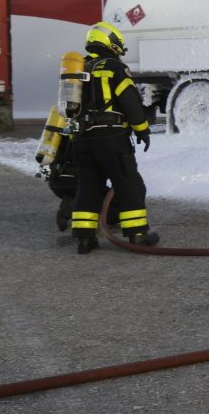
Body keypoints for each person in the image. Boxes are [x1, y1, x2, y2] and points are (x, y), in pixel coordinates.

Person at [69, 21, 158, 254]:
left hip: (81, 139)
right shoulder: (114, 67)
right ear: (111, 43)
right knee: (128, 182)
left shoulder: (79, 69)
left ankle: (84, 238)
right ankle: (137, 235)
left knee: (88, 186)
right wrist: (142, 129)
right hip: (110, 136)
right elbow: (129, 101)